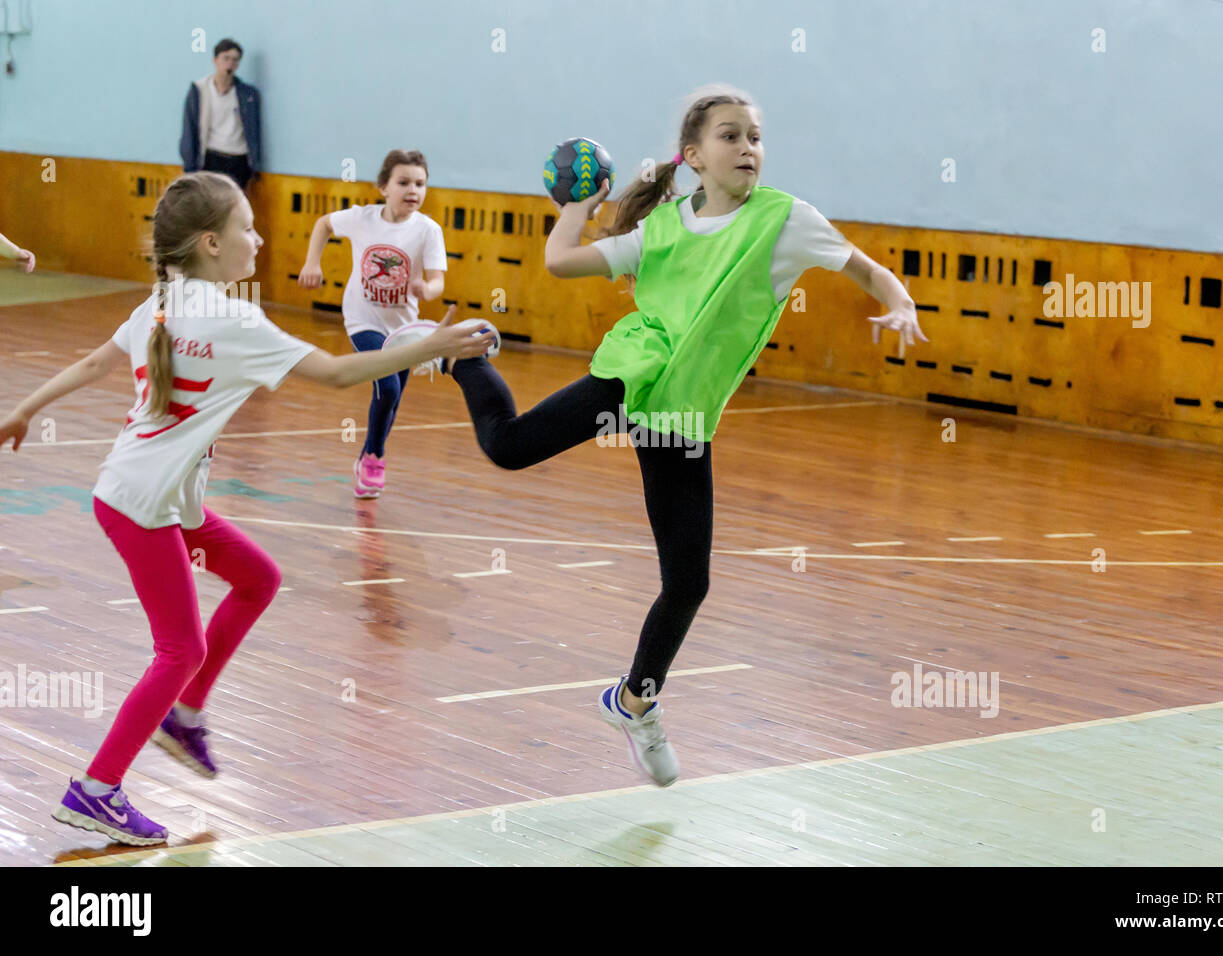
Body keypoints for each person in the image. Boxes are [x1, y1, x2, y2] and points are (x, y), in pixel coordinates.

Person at [442, 86, 926, 787]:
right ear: (695, 157)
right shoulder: (663, 227)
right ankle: (466, 359)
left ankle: (634, 701)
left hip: (681, 413)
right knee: (509, 446)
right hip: (632, 374)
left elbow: (865, 269)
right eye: (731, 136)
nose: (749, 147)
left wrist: (900, 300)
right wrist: (575, 211)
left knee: (689, 583)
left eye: (756, 135)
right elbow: (561, 262)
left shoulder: (786, 222)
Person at [0, 172, 490, 846]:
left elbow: (90, 365)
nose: (258, 238)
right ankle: (96, 789)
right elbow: (340, 373)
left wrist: (27, 408)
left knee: (258, 578)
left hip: (151, 496)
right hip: (145, 504)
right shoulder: (233, 321)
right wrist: (435, 344)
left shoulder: (162, 304)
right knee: (180, 649)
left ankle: (187, 717)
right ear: (210, 243)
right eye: (247, 229)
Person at [298, 150, 448, 498]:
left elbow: (438, 280)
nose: (413, 190)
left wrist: (428, 288)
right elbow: (323, 224)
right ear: (383, 187)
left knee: (392, 400)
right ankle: (375, 458)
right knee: (389, 388)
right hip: (362, 319)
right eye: (404, 182)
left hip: (404, 329)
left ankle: (368, 452)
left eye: (420, 183)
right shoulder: (362, 219)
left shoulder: (428, 230)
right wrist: (312, 264)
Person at [180, 38, 262, 190]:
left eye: (235, 60)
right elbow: (189, 129)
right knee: (209, 206)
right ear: (215, 60)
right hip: (211, 158)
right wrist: (189, 167)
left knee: (233, 208)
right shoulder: (199, 90)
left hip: (238, 159)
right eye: (226, 58)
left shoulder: (247, 94)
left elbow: (254, 131)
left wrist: (254, 166)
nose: (230, 64)